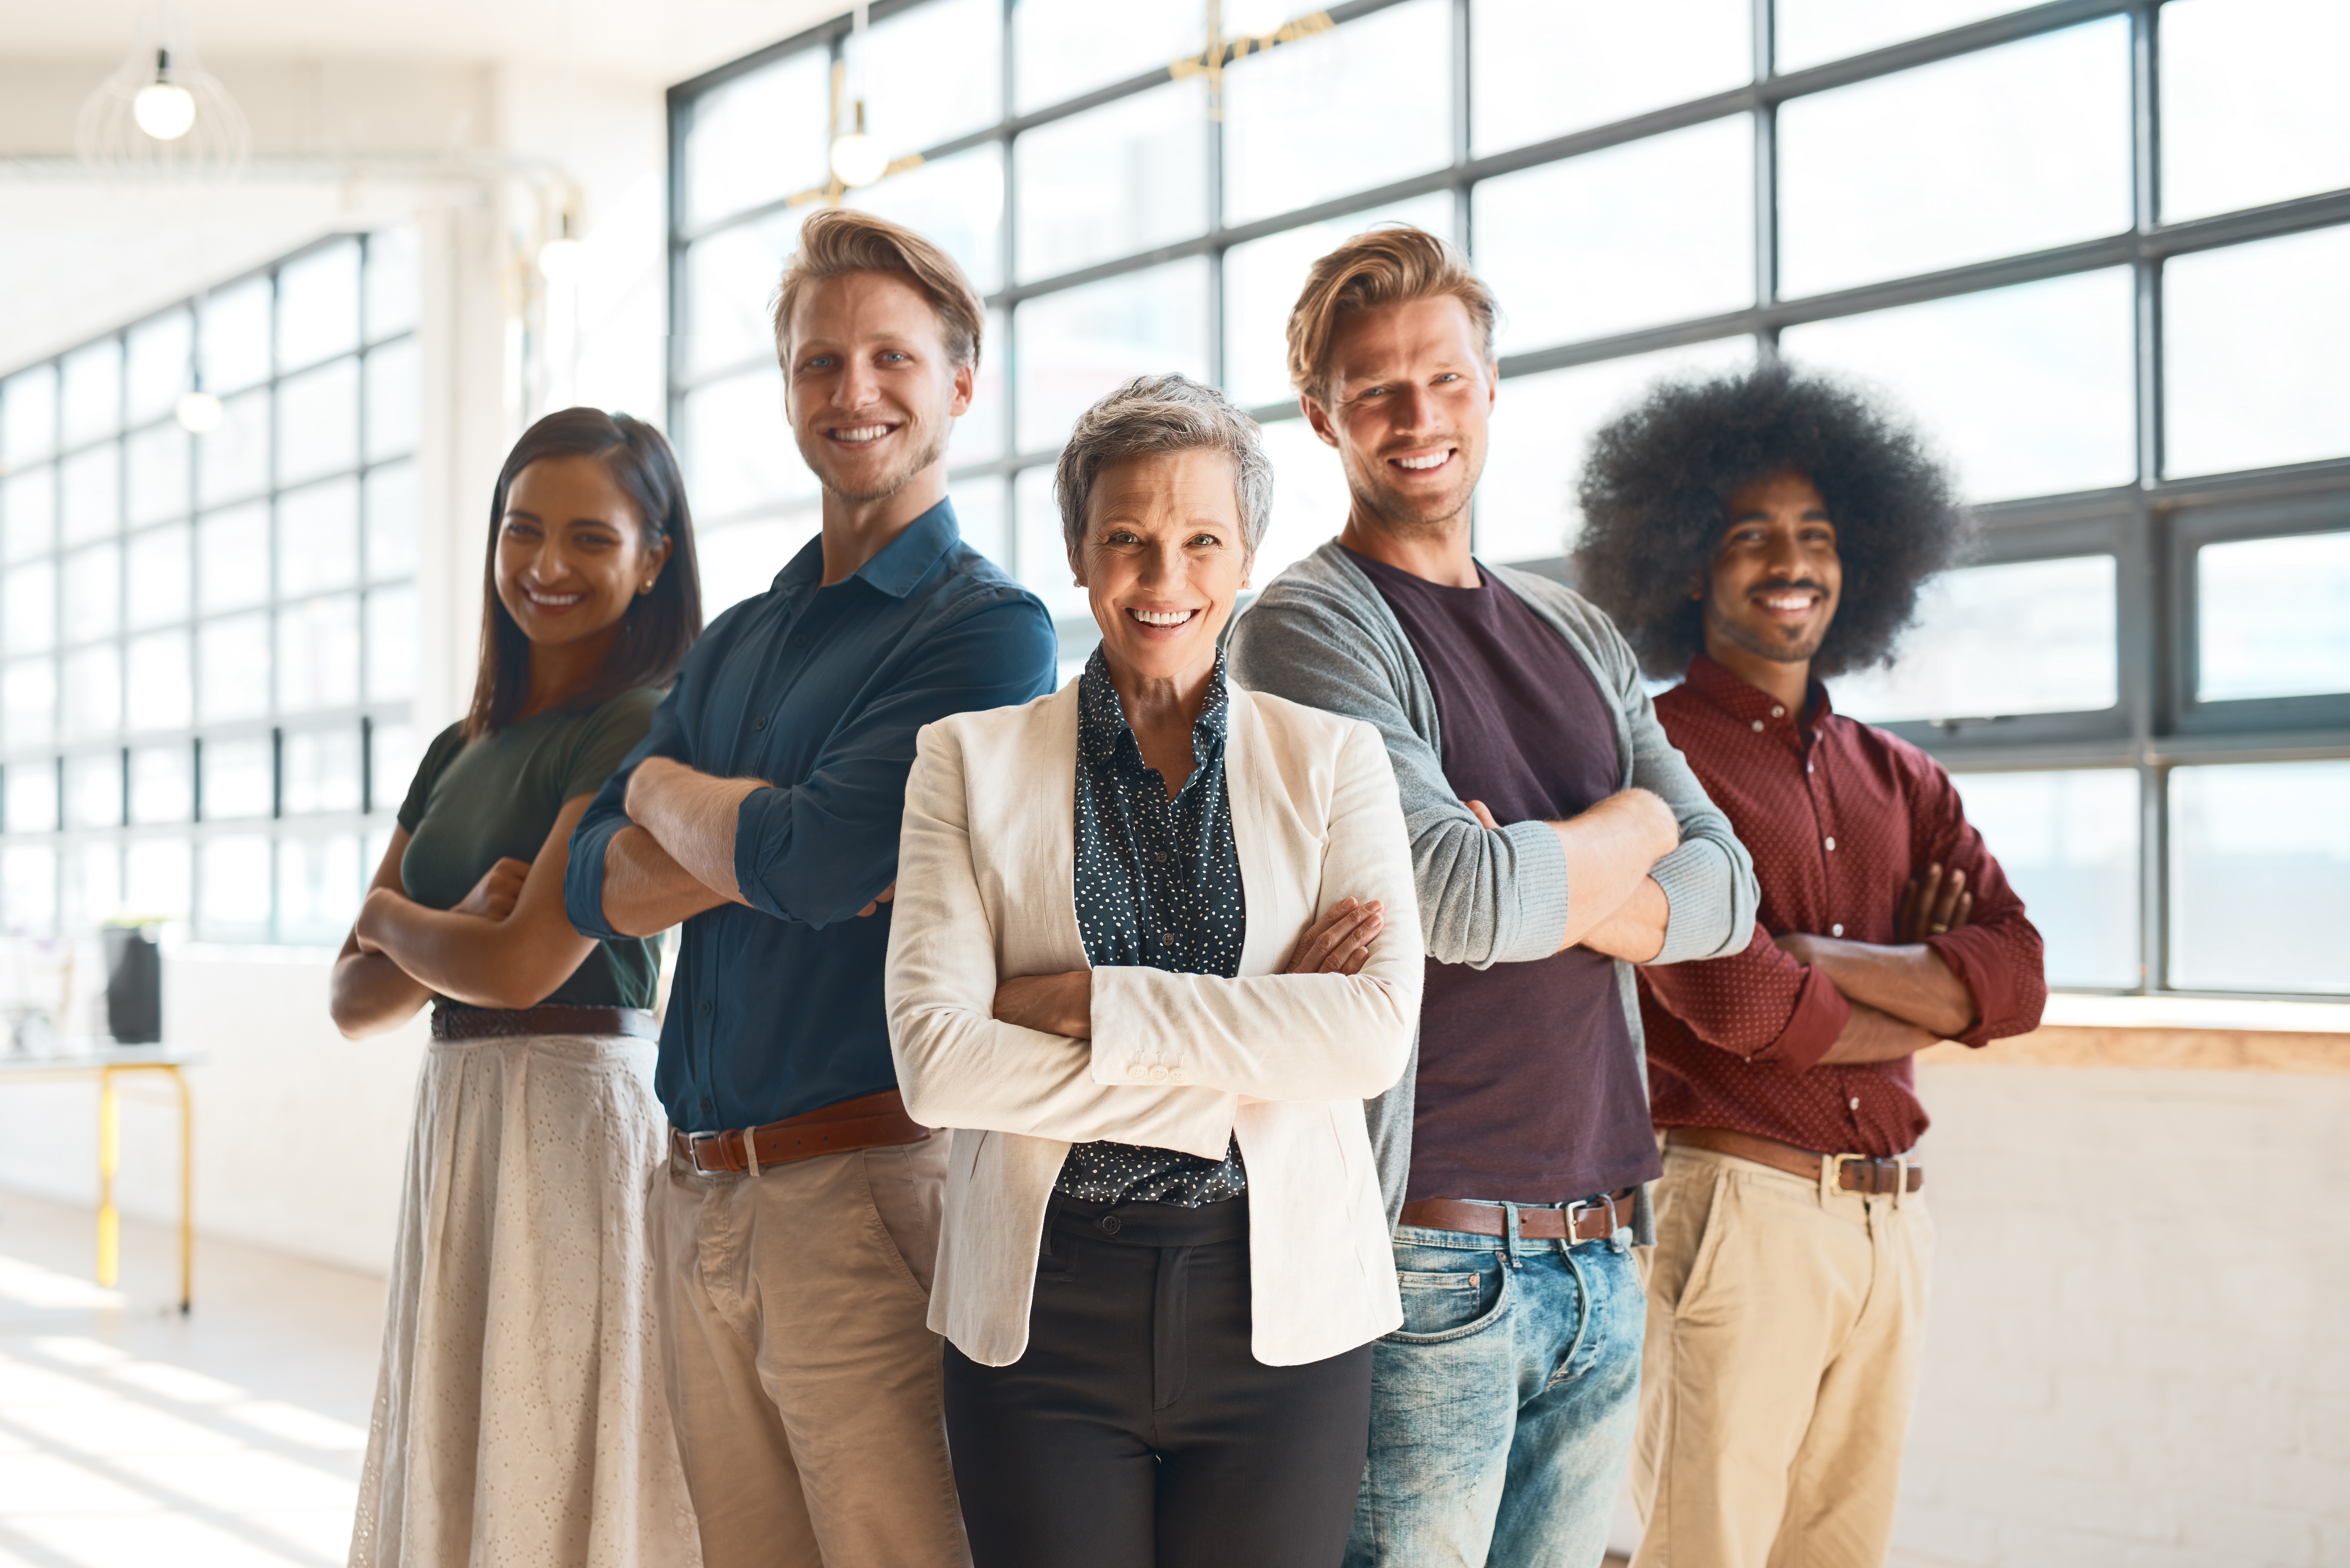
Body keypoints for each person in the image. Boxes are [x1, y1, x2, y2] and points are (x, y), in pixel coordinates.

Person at [1225, 226, 1759, 1567]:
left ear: (1490, 387)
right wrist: (1635, 829)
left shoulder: (1575, 629)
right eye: (1377, 391)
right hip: (1430, 1251)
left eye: (1444, 379)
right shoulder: (1309, 624)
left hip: (1603, 1245)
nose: (1418, 417)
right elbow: (1459, 899)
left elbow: (1728, 893)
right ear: (1321, 417)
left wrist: (1560, 861)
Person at [562, 208, 1056, 1568]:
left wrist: (674, 793)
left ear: (961, 384)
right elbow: (594, 881)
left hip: (867, 1188)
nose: (852, 393)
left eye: (891, 358)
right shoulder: (738, 639)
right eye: (817, 363)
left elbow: (823, 861)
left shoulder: (986, 627)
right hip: (698, 1189)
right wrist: (721, 827)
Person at [885, 373, 1421, 1568]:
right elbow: (936, 1064)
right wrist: (1254, 1048)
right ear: (1080, 553)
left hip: (1281, 1311)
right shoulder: (965, 764)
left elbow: (1369, 1037)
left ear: (1245, 561)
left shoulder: (1337, 763)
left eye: (1200, 540)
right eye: (1126, 539)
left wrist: (1082, 1007)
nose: (1163, 576)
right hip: (1040, 1309)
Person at [1571, 360, 2048, 1568]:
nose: (1792, 563)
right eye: (1753, 537)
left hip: (1892, 1229)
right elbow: (1746, 1008)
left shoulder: (1904, 778)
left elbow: (2020, 978)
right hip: (1737, 1211)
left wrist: (1823, 951)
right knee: (1707, 1552)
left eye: (1818, 536)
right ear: (1687, 562)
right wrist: (1933, 984)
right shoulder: (1652, 756)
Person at [332, 407, 703, 1568]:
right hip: (461, 1111)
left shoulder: (640, 724)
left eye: (591, 538)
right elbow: (352, 1000)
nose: (547, 566)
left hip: (573, 1110)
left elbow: (521, 964)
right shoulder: (460, 746)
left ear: (653, 560)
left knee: (559, 1441)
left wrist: (393, 921)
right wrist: (417, 929)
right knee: (461, 1434)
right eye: (522, 530)